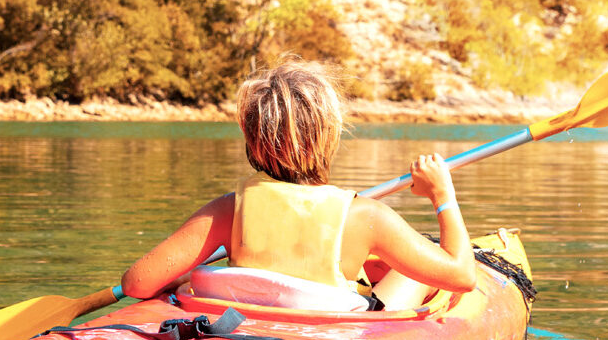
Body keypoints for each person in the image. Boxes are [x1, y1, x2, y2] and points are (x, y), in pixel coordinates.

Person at [121, 60, 476, 309]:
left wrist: (179, 278)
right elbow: (462, 276)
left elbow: (136, 284)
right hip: (336, 339)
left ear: (251, 139)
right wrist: (441, 194)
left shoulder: (229, 210)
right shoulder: (365, 217)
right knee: (414, 273)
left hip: (253, 325)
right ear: (329, 137)